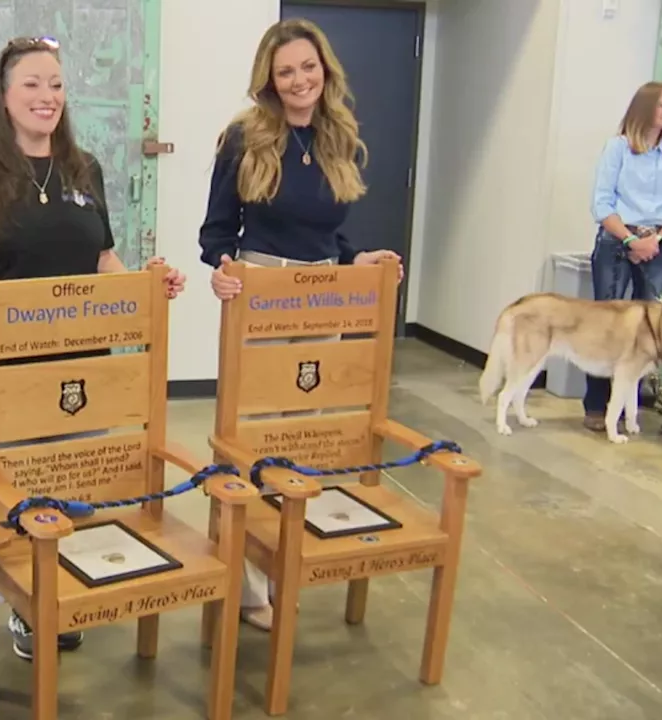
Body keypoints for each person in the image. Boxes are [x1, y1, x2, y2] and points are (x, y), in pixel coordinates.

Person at [0, 35, 186, 661]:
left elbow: (102, 257)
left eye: (57, 86)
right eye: (33, 85)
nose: (47, 97)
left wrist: (146, 287)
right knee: (15, 490)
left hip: (75, 368)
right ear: (5, 97)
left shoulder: (82, 168)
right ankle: (25, 605)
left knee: (64, 483)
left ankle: (54, 587)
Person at [199, 19, 402, 632]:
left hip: (323, 297)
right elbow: (215, 231)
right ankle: (243, 579)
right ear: (269, 78)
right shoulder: (244, 137)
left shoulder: (339, 134)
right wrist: (223, 267)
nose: (299, 80)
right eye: (285, 71)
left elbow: (327, 234)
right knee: (252, 432)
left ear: (325, 70)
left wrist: (355, 258)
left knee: (301, 435)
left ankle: (277, 555)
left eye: (307, 68)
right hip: (263, 290)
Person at [585, 81, 662, 436]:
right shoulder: (619, 148)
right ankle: (596, 405)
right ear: (644, 109)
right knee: (606, 323)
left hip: (656, 242)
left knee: (650, 328)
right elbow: (601, 203)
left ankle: (630, 407)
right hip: (617, 239)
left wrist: (656, 239)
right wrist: (629, 239)